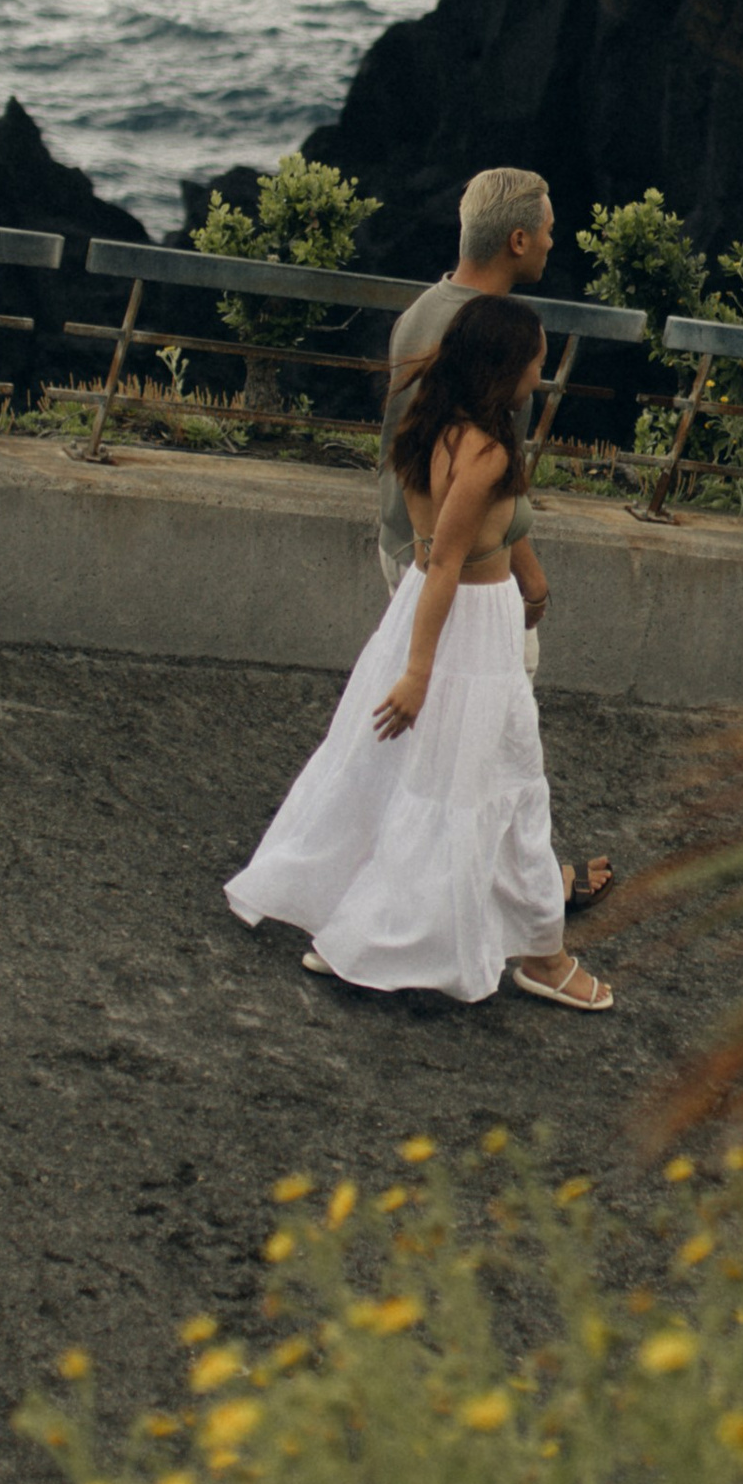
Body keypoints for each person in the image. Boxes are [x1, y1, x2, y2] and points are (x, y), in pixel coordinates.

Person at [226, 292, 614, 1010]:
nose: (542, 369)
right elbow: (449, 564)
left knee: (413, 778)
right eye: (536, 358)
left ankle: (357, 930)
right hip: (466, 626)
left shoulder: (436, 426)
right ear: (506, 365)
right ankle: (541, 957)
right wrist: (418, 673)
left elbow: (437, 544)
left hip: (433, 607)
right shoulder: (491, 451)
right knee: (503, 786)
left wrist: (528, 579)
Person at [375, 161, 609, 916]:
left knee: (471, 742)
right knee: (493, 747)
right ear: (516, 240)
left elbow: (416, 456)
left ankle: (517, 882)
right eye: (546, 227)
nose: (553, 237)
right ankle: (505, 898)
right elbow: (476, 488)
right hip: (462, 573)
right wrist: (528, 575)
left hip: (411, 550)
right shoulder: (487, 338)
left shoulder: (422, 312)